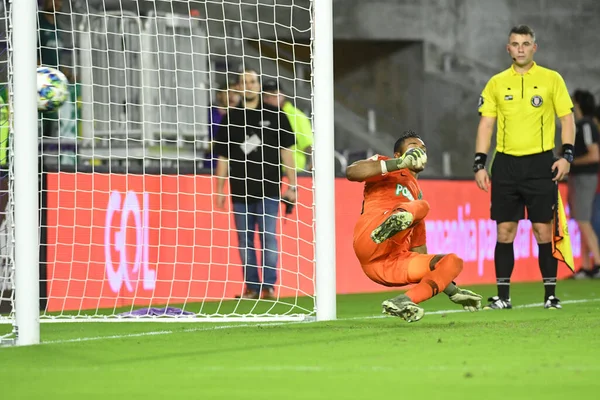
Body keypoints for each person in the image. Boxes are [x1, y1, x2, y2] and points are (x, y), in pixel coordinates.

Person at [473, 25, 576, 309]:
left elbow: (566, 119)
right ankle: (503, 297)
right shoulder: (495, 83)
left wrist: (567, 155)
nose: (520, 48)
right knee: (504, 231)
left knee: (543, 231)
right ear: (508, 49)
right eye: (515, 44)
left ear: (534, 48)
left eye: (526, 43)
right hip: (505, 164)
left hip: (540, 163)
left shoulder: (551, 79)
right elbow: (486, 124)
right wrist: (479, 163)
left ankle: (550, 296)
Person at [346, 131, 482, 322]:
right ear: (397, 155)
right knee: (422, 206)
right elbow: (352, 172)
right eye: (413, 146)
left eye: (423, 149)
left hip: (387, 265)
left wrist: (452, 290)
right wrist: (400, 164)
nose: (419, 151)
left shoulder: (416, 198)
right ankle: (388, 225)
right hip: (370, 238)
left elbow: (420, 253)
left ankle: (404, 301)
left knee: (453, 261)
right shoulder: (386, 165)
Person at [213, 69, 296, 300]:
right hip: (239, 188)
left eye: (252, 81)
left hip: (269, 186)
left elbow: (286, 152)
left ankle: (268, 287)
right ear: (238, 87)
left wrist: (293, 185)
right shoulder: (231, 118)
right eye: (243, 82)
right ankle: (251, 287)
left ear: (258, 85)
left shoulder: (276, 115)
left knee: (268, 236)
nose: (248, 85)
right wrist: (219, 189)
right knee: (245, 239)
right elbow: (224, 157)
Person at [569, 90, 600, 278]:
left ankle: (597, 262)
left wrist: (570, 161)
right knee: (582, 220)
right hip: (578, 178)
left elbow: (594, 154)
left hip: (585, 177)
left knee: (583, 220)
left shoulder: (586, 125)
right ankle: (587, 265)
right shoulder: (579, 125)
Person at [262, 79, 314, 172]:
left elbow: (308, 144)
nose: (270, 99)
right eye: (266, 96)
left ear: (282, 95)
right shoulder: (262, 116)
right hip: (268, 171)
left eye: (274, 94)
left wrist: (312, 163)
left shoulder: (296, 116)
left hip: (294, 169)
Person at [204, 82, 241, 170]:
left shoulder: (244, 117)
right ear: (219, 95)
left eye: (236, 93)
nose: (232, 96)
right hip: (210, 168)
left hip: (237, 169)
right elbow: (201, 145)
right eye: (228, 92)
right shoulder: (208, 115)